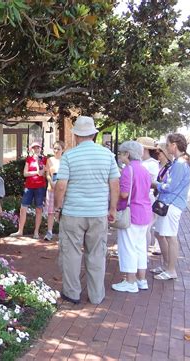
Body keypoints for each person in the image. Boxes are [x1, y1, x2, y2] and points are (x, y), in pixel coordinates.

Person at [54, 116, 120, 305]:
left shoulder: (69, 156)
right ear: (94, 133)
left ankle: (72, 293)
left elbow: (61, 186)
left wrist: (57, 207)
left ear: (75, 135)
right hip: (98, 213)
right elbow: (114, 184)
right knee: (97, 254)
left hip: (73, 213)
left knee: (71, 254)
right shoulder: (107, 155)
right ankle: (96, 295)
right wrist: (112, 208)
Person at [151, 133, 190, 280]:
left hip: (171, 204)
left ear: (174, 145)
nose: (167, 147)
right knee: (160, 234)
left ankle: (170, 269)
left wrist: (156, 184)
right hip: (169, 204)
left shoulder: (180, 164)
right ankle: (166, 265)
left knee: (170, 237)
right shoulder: (179, 162)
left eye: (168, 144)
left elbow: (170, 186)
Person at [111, 141, 153, 293]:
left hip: (131, 214)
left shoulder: (129, 170)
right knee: (140, 248)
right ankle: (141, 279)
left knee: (128, 247)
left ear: (127, 154)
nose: (120, 157)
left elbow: (124, 194)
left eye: (121, 153)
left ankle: (130, 281)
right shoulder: (144, 169)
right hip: (145, 213)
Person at [10, 141, 47, 239]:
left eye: (38, 148)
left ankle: (36, 232)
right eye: (34, 148)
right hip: (29, 186)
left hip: (40, 186)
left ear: (41, 148)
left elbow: (44, 173)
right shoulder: (29, 159)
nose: (36, 149)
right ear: (32, 149)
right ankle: (20, 230)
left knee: (39, 208)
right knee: (23, 208)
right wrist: (36, 172)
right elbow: (25, 173)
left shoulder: (44, 159)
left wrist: (40, 171)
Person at [136, 137, 159, 250]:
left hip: (147, 196)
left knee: (146, 227)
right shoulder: (141, 162)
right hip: (138, 196)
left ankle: (143, 253)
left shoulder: (152, 164)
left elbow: (149, 182)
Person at [151, 143, 173, 256]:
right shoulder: (159, 166)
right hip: (158, 197)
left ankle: (166, 258)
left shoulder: (170, 168)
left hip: (164, 201)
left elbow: (168, 186)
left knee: (163, 232)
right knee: (158, 229)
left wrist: (156, 185)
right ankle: (161, 251)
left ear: (165, 153)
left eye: (159, 152)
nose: (157, 155)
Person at [43, 141, 65, 241]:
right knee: (51, 211)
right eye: (55, 148)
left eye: (58, 149)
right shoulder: (50, 160)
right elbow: (47, 173)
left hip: (62, 190)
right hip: (51, 188)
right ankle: (49, 232)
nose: (56, 151)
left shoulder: (65, 160)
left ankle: (62, 233)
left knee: (62, 212)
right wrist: (50, 181)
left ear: (63, 150)